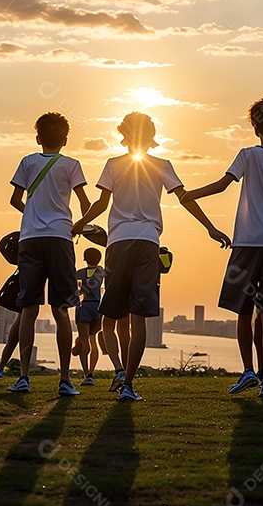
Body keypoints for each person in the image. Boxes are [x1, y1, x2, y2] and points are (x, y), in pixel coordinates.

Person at [72, 112, 230, 401]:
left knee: (108, 317)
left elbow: (101, 204)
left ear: (123, 134)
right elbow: (184, 198)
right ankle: (129, 386)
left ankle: (119, 369)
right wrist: (210, 227)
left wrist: (79, 224)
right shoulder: (161, 165)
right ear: (151, 136)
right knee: (139, 317)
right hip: (148, 243)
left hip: (118, 243)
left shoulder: (113, 164)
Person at [184, 97, 263, 399]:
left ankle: (248, 372)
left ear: (254, 127)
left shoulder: (247, 155)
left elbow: (222, 184)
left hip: (247, 243)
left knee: (242, 313)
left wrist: (191, 194)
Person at [7, 113, 91, 396]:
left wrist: (31, 215)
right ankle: (65, 380)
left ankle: (23, 377)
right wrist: (76, 225)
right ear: (65, 140)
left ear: (37, 138)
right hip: (60, 239)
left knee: (29, 309)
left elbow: (15, 199)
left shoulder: (27, 162)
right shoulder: (72, 164)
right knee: (61, 309)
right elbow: (85, 203)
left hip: (30, 239)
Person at [74, 247, 106, 386]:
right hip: (98, 307)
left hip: (85, 306)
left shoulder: (80, 272)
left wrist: (80, 291)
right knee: (93, 341)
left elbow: (73, 284)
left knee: (84, 341)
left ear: (85, 258)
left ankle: (86, 373)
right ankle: (90, 374)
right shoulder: (102, 272)